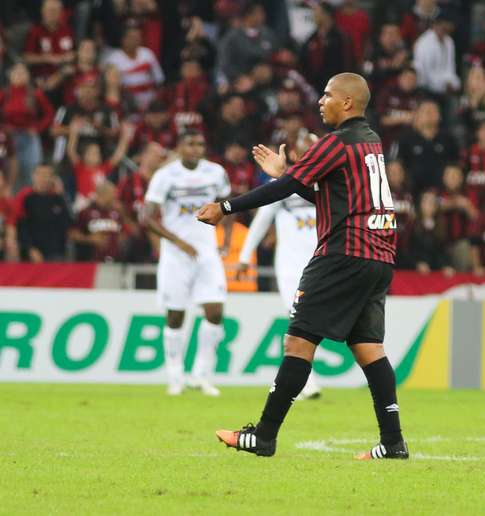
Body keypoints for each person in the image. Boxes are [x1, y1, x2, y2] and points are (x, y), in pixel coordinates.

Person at [197, 73, 408, 460]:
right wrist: (289, 176)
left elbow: (282, 190)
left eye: (327, 95)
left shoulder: (337, 143)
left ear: (347, 102)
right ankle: (392, 442)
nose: (320, 101)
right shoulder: (371, 142)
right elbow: (334, 198)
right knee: (368, 347)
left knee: (298, 341)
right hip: (377, 256)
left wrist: (226, 208)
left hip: (342, 254)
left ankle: (264, 435)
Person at [141, 129, 231, 397]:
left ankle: (202, 375)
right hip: (176, 255)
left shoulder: (215, 172)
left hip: (206, 251)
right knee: (175, 315)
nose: (196, 148)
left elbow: (229, 205)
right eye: (191, 144)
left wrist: (225, 239)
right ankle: (175, 376)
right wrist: (177, 241)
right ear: (180, 146)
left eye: (200, 144)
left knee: (215, 311)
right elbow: (146, 217)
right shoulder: (165, 176)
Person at [236, 191, 322, 400]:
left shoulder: (322, 179)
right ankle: (305, 381)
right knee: (297, 320)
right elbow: (261, 221)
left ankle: (299, 378)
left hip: (321, 262)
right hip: (290, 266)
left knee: (315, 322)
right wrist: (245, 256)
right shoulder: (281, 186)